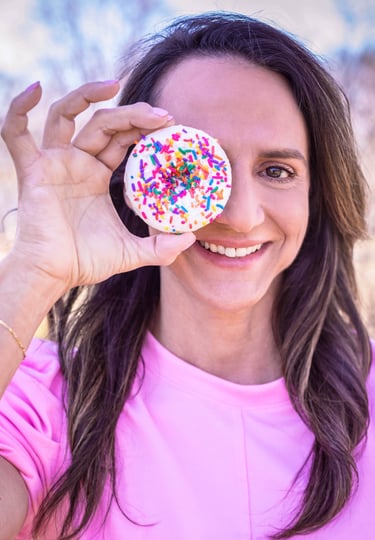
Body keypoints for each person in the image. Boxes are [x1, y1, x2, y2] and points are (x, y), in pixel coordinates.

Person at [0, 11, 373, 540]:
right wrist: (32, 270)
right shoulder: (45, 404)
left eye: (277, 170)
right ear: (134, 183)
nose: (241, 215)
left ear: (316, 193)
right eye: (193, 165)